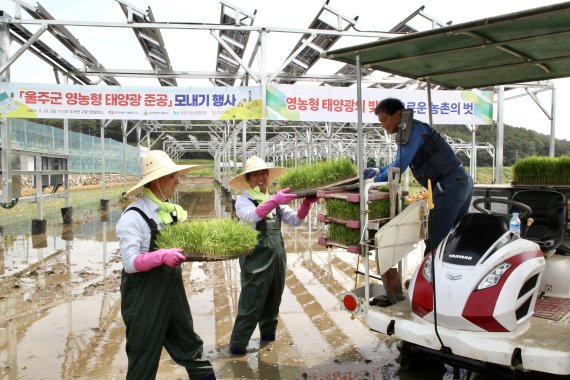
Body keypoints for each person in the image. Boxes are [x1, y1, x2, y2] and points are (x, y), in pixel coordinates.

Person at [116, 150, 216, 380]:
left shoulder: (169, 212)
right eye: (173, 176)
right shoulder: (133, 217)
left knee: (193, 351)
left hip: (173, 295)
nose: (177, 181)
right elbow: (130, 263)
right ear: (156, 181)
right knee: (143, 362)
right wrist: (160, 257)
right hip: (144, 299)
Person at [228, 155, 318, 355]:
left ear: (268, 176)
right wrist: (273, 200)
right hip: (256, 260)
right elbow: (252, 215)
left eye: (263, 173)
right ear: (248, 179)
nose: (261, 177)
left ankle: (268, 342)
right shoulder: (244, 201)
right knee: (251, 303)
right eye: (255, 174)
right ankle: (237, 347)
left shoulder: (274, 201)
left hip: (277, 258)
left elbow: (295, 221)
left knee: (273, 301)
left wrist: (306, 204)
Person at [363, 98, 473, 255]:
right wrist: (378, 169)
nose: (383, 126)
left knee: (435, 237)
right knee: (454, 236)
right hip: (460, 182)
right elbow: (397, 162)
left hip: (449, 185)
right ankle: (448, 276)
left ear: (397, 114)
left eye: (384, 120)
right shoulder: (412, 129)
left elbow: (398, 167)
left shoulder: (413, 131)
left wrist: (373, 181)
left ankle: (429, 278)